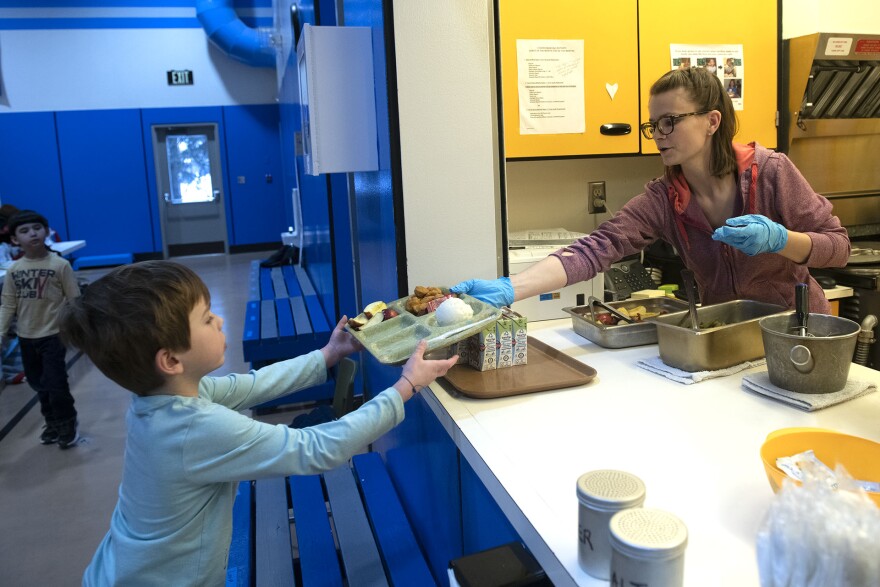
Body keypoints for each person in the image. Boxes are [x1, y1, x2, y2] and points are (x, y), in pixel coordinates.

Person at [57, 260, 457, 586]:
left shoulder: (161, 399)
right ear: (171, 360)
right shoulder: (192, 429)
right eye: (205, 317)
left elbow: (252, 385)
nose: (218, 320)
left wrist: (328, 354)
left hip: (124, 569)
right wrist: (405, 387)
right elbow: (316, 449)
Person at [452, 67, 849, 316]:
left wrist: (780, 240)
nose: (658, 134)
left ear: (712, 121)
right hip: (728, 333)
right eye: (654, 124)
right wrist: (509, 288)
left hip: (798, 330)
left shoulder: (772, 173)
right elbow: (595, 249)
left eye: (670, 121)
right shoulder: (663, 200)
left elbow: (838, 247)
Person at [0, 210, 81, 447]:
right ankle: (52, 422)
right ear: (15, 240)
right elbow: (8, 304)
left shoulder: (60, 265)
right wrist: (1, 333)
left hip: (54, 335)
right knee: (38, 384)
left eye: (37, 228)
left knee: (56, 383)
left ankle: (67, 422)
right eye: (24, 231)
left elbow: (74, 301)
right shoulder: (14, 271)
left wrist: (78, 331)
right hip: (27, 338)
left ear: (46, 232)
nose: (32, 233)